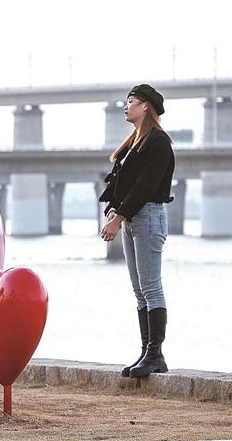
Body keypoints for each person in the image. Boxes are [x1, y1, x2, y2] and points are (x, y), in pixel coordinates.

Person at [98, 84, 175, 378]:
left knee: (151, 287)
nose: (125, 106)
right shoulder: (133, 143)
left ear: (145, 106)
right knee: (139, 290)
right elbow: (120, 183)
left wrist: (118, 217)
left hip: (149, 218)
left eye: (131, 101)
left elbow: (145, 186)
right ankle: (146, 352)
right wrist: (114, 210)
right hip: (132, 219)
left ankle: (155, 354)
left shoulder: (158, 142)